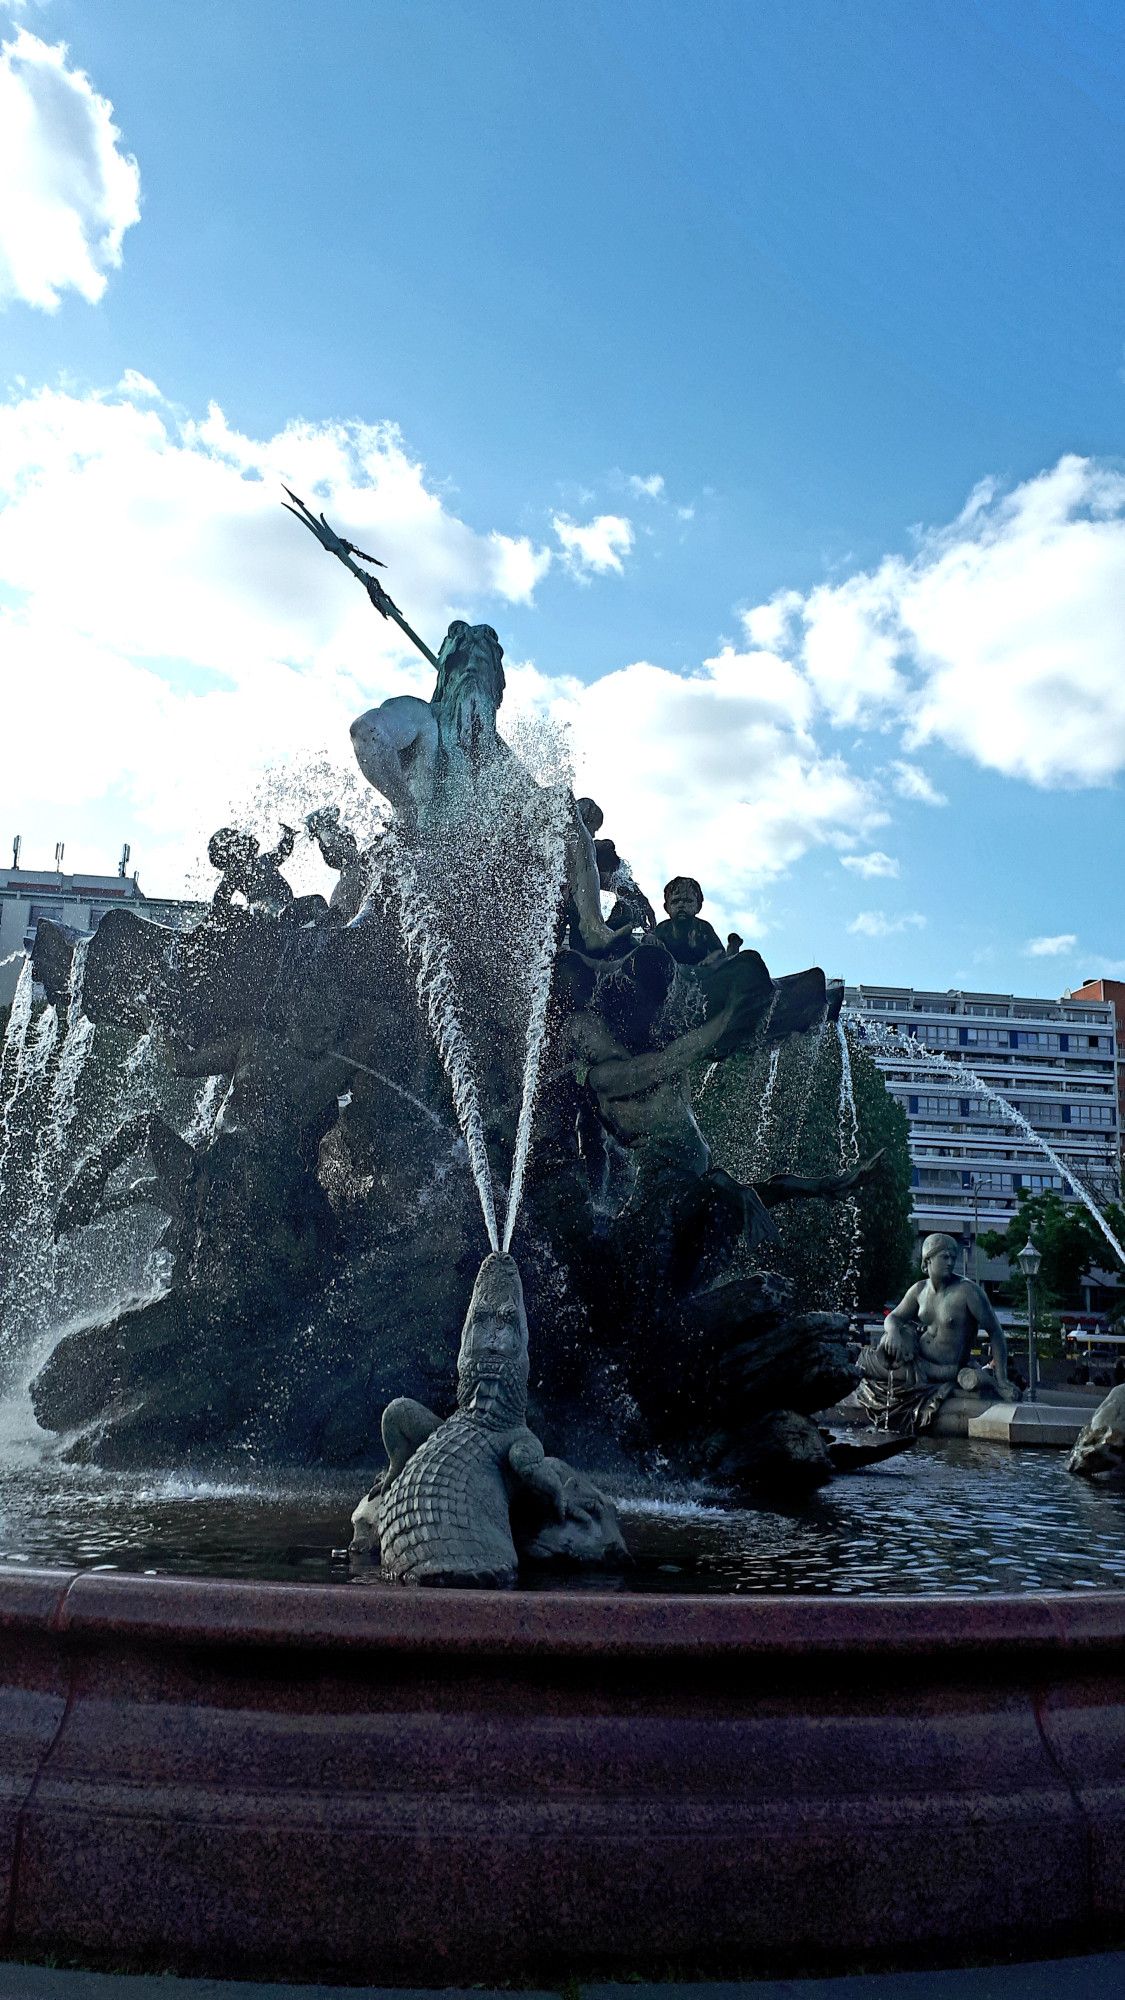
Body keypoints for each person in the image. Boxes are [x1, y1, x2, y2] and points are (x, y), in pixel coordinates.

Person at [857, 1232, 1019, 1434]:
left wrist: (1002, 1379)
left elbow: (996, 1332)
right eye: (945, 1257)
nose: (951, 1262)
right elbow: (893, 1317)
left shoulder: (968, 1291)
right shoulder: (919, 1290)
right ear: (928, 1260)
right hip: (916, 1359)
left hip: (944, 1370)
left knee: (868, 1368)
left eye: (953, 1257)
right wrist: (893, 1333)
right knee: (864, 1361)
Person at [208, 824, 296, 919]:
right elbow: (218, 904)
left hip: (284, 908)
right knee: (263, 912)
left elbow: (283, 851)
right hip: (268, 915)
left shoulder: (264, 861)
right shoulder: (233, 876)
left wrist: (289, 836)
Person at [653, 877, 733, 967]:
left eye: (688, 901)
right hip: (670, 972)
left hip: (699, 972)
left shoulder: (703, 927)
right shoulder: (662, 928)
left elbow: (719, 951)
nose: (681, 905)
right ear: (666, 907)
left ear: (698, 907)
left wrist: (710, 958)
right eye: (675, 901)